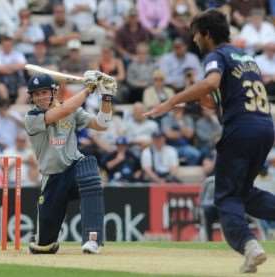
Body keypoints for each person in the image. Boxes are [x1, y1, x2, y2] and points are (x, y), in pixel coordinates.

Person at [144, 9, 275, 273]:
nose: (194, 40)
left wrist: (171, 101)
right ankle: (250, 244)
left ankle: (249, 247)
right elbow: (218, 96)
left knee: (224, 196)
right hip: (265, 127)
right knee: (244, 193)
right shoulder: (246, 57)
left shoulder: (217, 55)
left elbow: (212, 82)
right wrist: (199, 98)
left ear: (206, 34)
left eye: (195, 35)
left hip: (241, 129)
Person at [24, 71, 116, 254]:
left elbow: (101, 124)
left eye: (44, 92)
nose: (41, 97)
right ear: (32, 98)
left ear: (53, 92)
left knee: (90, 173)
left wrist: (106, 97)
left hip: (75, 166)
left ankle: (92, 239)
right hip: (52, 177)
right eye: (37, 94)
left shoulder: (73, 110)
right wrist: (88, 89)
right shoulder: (31, 118)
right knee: (44, 247)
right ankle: (45, 240)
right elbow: (63, 111)